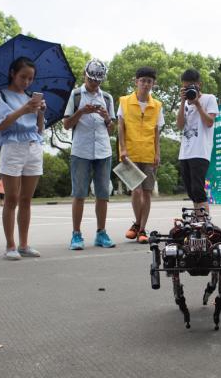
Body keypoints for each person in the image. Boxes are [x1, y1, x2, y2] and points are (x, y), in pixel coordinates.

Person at [0, 56, 45, 260]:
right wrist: (23, 110)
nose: (26, 82)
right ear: (12, 73)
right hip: (12, 147)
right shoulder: (0, 96)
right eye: (23, 77)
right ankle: (10, 245)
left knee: (26, 199)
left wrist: (40, 112)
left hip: (33, 147)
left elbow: (39, 130)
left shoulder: (30, 98)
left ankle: (24, 244)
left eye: (30, 78)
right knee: (11, 198)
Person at [63, 59, 116, 250]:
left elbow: (111, 129)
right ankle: (76, 234)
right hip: (81, 151)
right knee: (79, 194)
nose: (94, 84)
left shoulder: (108, 98)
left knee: (103, 194)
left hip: (103, 150)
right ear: (84, 75)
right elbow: (67, 124)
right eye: (91, 79)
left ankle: (101, 233)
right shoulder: (76, 95)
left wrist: (107, 118)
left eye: (97, 81)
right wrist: (81, 112)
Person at [118, 66, 164, 244]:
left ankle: (141, 229)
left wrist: (158, 153)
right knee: (135, 191)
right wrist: (122, 148)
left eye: (149, 81)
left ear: (154, 84)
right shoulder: (124, 101)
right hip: (129, 153)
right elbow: (120, 127)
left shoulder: (157, 105)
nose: (146, 84)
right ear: (136, 81)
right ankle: (138, 224)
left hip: (149, 154)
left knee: (147, 193)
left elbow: (156, 132)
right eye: (142, 80)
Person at [175, 69, 219, 216]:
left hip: (200, 152)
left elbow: (209, 122)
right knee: (191, 191)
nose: (189, 90)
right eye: (186, 87)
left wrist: (198, 104)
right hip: (185, 153)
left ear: (199, 84)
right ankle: (198, 224)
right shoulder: (185, 102)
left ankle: (205, 225)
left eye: (192, 86)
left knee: (198, 190)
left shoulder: (209, 98)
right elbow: (180, 125)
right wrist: (182, 101)